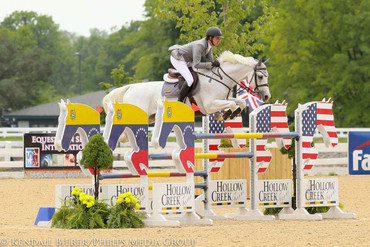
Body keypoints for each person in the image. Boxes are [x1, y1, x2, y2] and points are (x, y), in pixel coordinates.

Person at [169, 26, 223, 102]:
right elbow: (197, 65)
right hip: (178, 58)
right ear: (210, 38)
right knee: (190, 79)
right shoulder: (200, 45)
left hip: (187, 60)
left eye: (219, 38)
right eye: (217, 38)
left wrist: (215, 63)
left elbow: (210, 61)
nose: (219, 40)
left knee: (199, 74)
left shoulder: (209, 46)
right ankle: (179, 101)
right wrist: (211, 64)